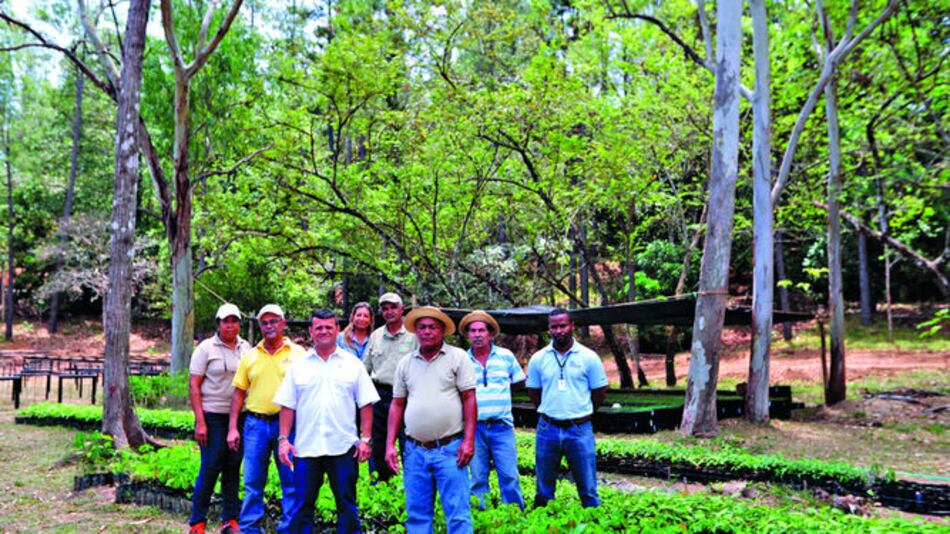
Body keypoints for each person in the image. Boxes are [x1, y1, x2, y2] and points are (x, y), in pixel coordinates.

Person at [274, 309, 379, 534]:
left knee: (347, 505)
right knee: (302, 506)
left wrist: (366, 439)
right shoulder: (298, 366)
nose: (324, 331)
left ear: (337, 329)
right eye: (318, 328)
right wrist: (283, 439)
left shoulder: (353, 365)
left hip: (342, 447)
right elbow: (287, 406)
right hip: (306, 448)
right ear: (311, 331)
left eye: (328, 327)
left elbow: (366, 404)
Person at [386, 306, 477, 534]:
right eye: (422, 327)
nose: (426, 332)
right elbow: (397, 405)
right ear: (416, 331)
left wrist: (469, 441)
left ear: (442, 331)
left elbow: (469, 399)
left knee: (457, 514)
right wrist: (389, 445)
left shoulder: (458, 357)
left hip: (450, 448)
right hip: (415, 450)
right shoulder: (406, 363)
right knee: (417, 515)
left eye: (432, 327)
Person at [228, 304, 306, 534]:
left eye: (274, 321)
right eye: (265, 322)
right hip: (256, 425)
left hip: (289, 427)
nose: (270, 326)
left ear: (283, 323)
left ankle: (289, 529)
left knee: (291, 481)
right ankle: (251, 528)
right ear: (259, 326)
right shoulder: (250, 356)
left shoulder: (298, 354)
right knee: (253, 482)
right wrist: (233, 428)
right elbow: (238, 394)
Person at [525, 308, 607, 508]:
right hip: (547, 429)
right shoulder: (539, 358)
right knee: (544, 487)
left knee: (587, 487)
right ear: (549, 329)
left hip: (579, 429)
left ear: (572, 326)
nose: (559, 330)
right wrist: (549, 410)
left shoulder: (589, 357)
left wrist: (581, 412)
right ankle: (543, 524)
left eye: (563, 325)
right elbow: (534, 391)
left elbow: (599, 391)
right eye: (554, 327)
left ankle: (593, 522)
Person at [188, 303, 252, 534]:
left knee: (233, 467)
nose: (231, 325)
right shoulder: (206, 348)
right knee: (210, 466)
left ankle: (230, 520)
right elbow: (194, 386)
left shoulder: (246, 347)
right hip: (212, 415)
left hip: (240, 416)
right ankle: (197, 521)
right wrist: (200, 421)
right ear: (218, 323)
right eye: (226, 321)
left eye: (235, 321)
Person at [459, 310, 525, 510]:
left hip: (501, 427)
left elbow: (519, 382)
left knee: (510, 476)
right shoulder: (462, 360)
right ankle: (483, 519)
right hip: (473, 429)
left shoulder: (505, 357)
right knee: (477, 478)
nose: (477, 334)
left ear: (490, 334)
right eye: (473, 331)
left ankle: (514, 517)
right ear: (468, 335)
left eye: (481, 330)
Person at [363, 292, 418, 482]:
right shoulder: (376, 336)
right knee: (378, 443)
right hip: (380, 393)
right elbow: (365, 368)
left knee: (407, 441)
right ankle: (381, 483)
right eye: (385, 309)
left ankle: (411, 482)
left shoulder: (414, 335)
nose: (389, 312)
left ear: (402, 309)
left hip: (407, 395)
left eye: (393, 307)